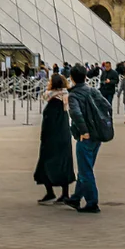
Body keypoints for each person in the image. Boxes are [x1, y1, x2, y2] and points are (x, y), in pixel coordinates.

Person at [67, 64, 112, 213]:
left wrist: (84, 130)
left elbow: (76, 114)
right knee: (86, 167)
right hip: (97, 135)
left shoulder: (74, 95)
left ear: (72, 78)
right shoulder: (93, 90)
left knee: (85, 170)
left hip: (85, 136)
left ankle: (92, 202)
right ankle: (76, 197)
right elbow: (107, 106)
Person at [35, 73, 75, 205]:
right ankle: (65, 193)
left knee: (46, 163)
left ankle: (50, 192)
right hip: (64, 136)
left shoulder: (53, 100)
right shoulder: (65, 97)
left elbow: (49, 121)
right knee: (64, 163)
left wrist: (43, 135)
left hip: (52, 137)